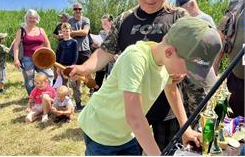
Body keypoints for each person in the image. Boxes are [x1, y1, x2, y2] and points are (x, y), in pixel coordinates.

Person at [70, 0, 188, 149]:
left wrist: (182, 68)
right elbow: (105, 51)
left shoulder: (178, 17)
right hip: (132, 103)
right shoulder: (125, 18)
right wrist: (84, 68)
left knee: (167, 150)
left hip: (166, 104)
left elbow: (189, 51)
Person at [78, 17, 222, 155]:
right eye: (188, 68)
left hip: (126, 134)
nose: (187, 75)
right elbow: (135, 118)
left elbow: (171, 90)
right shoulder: (135, 58)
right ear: (169, 52)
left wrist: (185, 128)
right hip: (101, 132)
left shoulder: (166, 61)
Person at [214, 0, 245, 117]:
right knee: (235, 122)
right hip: (236, 78)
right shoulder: (236, 6)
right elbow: (222, 38)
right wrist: (215, 66)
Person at [13, 9, 54, 95]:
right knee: (29, 80)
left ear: (37, 19)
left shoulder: (41, 30)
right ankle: (33, 98)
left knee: (48, 75)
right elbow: (16, 45)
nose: (32, 20)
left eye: (34, 18)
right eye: (30, 17)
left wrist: (50, 56)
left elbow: (47, 43)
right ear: (26, 18)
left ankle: (47, 94)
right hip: (27, 58)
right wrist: (16, 59)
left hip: (41, 58)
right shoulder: (21, 31)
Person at [68, 3, 91, 111]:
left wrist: (73, 33)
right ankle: (78, 103)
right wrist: (76, 33)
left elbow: (85, 32)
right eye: (75, 9)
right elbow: (67, 34)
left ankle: (94, 97)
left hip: (85, 50)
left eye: (79, 9)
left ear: (82, 10)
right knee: (74, 76)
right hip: (73, 51)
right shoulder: (69, 21)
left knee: (88, 74)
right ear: (73, 10)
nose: (77, 11)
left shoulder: (86, 19)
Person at [90, 14, 113, 94]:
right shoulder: (101, 33)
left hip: (113, 59)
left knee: (111, 77)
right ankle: (96, 93)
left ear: (111, 22)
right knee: (99, 76)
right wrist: (95, 45)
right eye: (103, 24)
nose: (104, 25)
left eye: (106, 23)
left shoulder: (116, 32)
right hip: (102, 58)